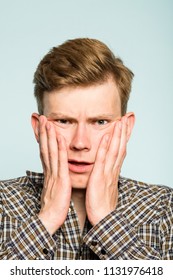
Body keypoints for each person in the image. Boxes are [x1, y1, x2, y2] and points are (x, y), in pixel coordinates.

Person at [0, 38, 172, 260]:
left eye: (100, 122)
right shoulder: (3, 203)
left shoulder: (164, 208)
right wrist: (47, 219)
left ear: (126, 127)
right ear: (38, 128)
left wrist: (107, 221)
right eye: (63, 121)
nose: (80, 143)